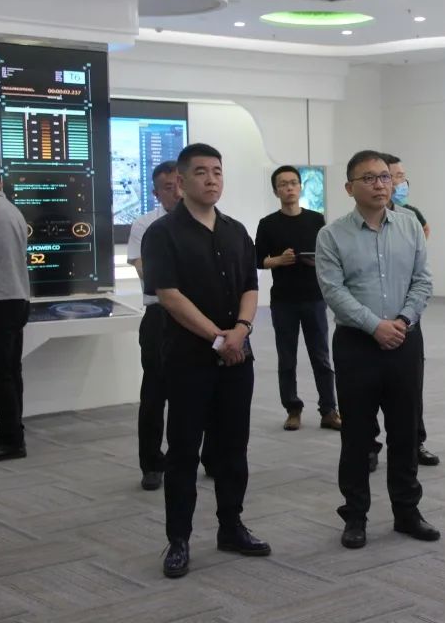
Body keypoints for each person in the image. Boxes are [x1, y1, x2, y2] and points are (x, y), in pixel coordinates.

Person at [143, 143, 271, 578]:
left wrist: (241, 330)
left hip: (237, 356)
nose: (212, 179)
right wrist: (219, 338)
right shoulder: (162, 233)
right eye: (201, 172)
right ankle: (178, 539)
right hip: (188, 360)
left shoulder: (236, 231)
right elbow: (169, 296)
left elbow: (251, 286)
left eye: (217, 171)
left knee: (233, 447)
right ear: (181, 181)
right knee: (183, 451)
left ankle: (231, 527)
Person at [316, 150, 438, 550]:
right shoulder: (331, 235)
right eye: (368, 178)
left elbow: (423, 281)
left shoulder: (410, 226)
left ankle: (407, 511)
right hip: (357, 344)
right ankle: (355, 515)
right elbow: (334, 291)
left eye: (385, 177)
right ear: (349, 187)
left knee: (405, 429)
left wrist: (401, 320)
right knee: (357, 434)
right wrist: (375, 326)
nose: (380, 185)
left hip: (405, 339)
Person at [364, 153, 438, 468]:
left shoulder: (410, 218)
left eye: (399, 176)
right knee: (366, 391)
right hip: (368, 323)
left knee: (411, 388)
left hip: (407, 319)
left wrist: (405, 317)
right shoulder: (354, 225)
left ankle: (415, 442)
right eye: (394, 176)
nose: (399, 182)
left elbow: (422, 273)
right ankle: (368, 446)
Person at [255, 165, 340, 432]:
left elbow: (329, 254)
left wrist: (316, 261)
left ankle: (329, 410)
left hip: (314, 297)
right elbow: (257, 261)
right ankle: (293, 409)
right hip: (283, 301)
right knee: (287, 358)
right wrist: (279, 260)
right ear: (276, 191)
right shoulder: (268, 224)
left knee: (321, 357)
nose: (289, 188)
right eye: (283, 184)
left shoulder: (316, 220)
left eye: (293, 182)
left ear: (301, 187)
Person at [126, 161, 182, 490]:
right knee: (154, 394)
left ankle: (202, 457)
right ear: (155, 192)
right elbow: (145, 271)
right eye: (168, 187)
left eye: (179, 184)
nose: (176, 192)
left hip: (199, 317)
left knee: (200, 391)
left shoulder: (203, 221)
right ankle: (151, 464)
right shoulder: (144, 224)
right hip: (160, 317)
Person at [0, 170, 29, 462]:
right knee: (11, 370)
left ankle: (11, 439)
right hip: (17, 298)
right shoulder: (11, 210)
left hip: (0, 299)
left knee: (0, 374)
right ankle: (12, 428)